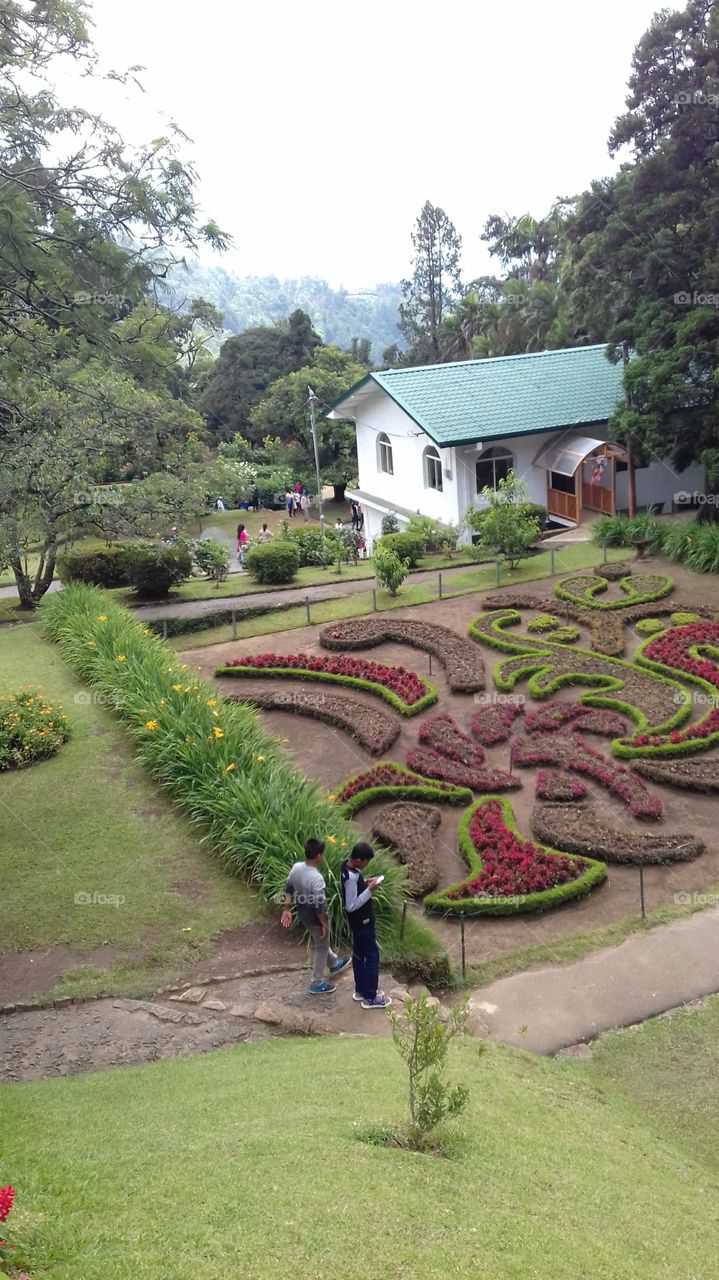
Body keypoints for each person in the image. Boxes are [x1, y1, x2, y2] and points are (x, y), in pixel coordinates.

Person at [281, 838, 349, 994]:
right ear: (319, 856)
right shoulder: (316, 878)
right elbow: (319, 905)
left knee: (321, 942)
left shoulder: (296, 867)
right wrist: (323, 924)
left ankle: (334, 964)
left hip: (303, 914)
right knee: (321, 947)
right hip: (315, 918)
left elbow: (287, 888)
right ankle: (317, 983)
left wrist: (286, 909)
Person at [340, 841, 391, 1010]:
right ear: (359, 860)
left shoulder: (348, 868)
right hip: (362, 922)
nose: (367, 864)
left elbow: (354, 887)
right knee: (371, 955)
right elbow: (351, 905)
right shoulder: (352, 877)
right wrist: (370, 890)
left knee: (359, 954)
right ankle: (370, 996)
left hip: (357, 923)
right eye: (366, 862)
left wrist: (364, 883)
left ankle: (361, 990)